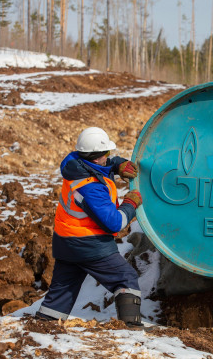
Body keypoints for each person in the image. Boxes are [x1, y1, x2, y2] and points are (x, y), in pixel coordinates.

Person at [36, 127, 144, 327]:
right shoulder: (90, 188)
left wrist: (118, 164)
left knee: (62, 293)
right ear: (96, 158)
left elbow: (99, 167)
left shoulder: (74, 163)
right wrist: (131, 204)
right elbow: (115, 223)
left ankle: (42, 326)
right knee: (125, 278)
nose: (107, 158)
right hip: (89, 244)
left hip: (65, 242)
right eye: (107, 155)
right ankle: (130, 331)